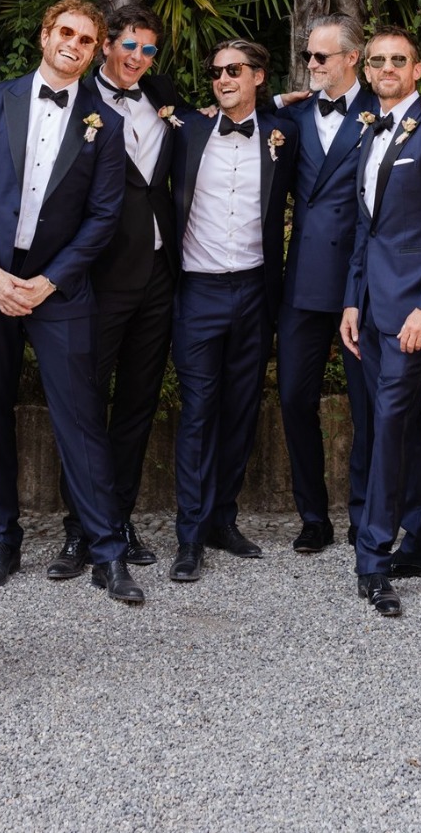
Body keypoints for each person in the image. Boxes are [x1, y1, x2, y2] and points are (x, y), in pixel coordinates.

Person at [0, 0, 145, 605]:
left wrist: (52, 280)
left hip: (59, 291)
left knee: (82, 419)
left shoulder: (105, 123)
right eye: (65, 32)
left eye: (86, 40)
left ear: (96, 52)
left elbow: (103, 216)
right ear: (44, 35)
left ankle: (107, 551)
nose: (73, 45)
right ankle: (2, 541)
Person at [340, 26, 421, 617]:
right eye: (378, 62)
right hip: (370, 307)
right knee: (403, 423)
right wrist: (351, 300)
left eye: (399, 60)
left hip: (414, 312)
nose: (387, 68)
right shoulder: (372, 129)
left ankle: (373, 558)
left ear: (418, 70)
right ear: (366, 70)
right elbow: (364, 228)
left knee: (389, 425)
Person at [50, 3, 183, 578]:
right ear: (105, 45)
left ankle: (119, 519)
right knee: (84, 403)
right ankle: (79, 528)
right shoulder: (74, 102)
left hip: (157, 274)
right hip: (96, 275)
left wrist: (277, 103)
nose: (137, 58)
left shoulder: (164, 96)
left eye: (148, 49)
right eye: (129, 45)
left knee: (137, 401)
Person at [168, 40, 297, 583]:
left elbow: (344, 109)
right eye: (216, 71)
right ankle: (190, 535)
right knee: (199, 411)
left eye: (234, 71)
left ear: (258, 76)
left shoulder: (283, 133)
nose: (222, 79)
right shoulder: (188, 129)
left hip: (254, 292)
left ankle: (224, 518)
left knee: (242, 410)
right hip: (196, 292)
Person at [276, 16, 375, 554]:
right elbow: (243, 112)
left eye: (321, 58)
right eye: (308, 58)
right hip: (303, 284)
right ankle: (313, 516)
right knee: (294, 399)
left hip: (361, 284)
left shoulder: (382, 113)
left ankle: (365, 516)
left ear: (351, 58)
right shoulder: (288, 116)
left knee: (366, 408)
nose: (311, 65)